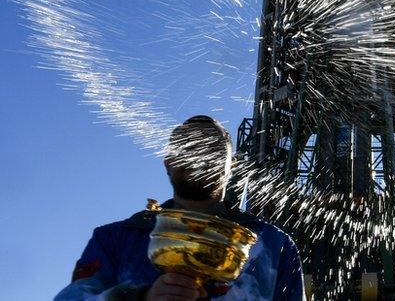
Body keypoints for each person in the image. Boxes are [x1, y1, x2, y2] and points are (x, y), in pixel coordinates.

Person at [55, 115, 304, 300]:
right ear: (167, 161)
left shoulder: (274, 246)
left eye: (212, 149)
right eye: (186, 148)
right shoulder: (114, 240)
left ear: (232, 166)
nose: (198, 156)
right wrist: (141, 297)